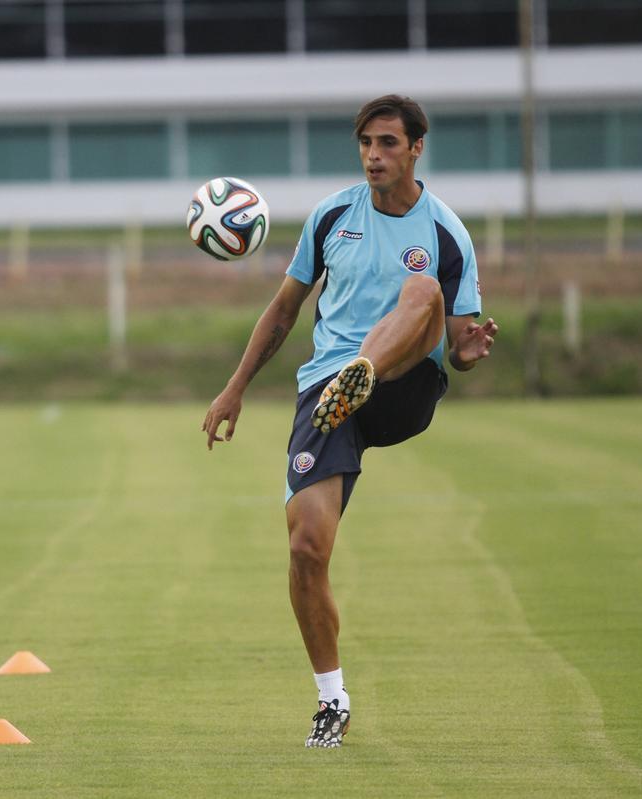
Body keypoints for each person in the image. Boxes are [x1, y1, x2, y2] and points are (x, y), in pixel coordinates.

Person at [202, 95, 499, 748]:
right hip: (325, 392)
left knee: (422, 291)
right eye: (366, 142)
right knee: (306, 546)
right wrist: (234, 388)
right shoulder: (332, 215)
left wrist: (467, 353)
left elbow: (453, 336)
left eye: (388, 142)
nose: (374, 154)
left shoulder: (446, 232)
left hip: (403, 386)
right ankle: (331, 700)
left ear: (417, 147)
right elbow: (282, 312)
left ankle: (360, 371)